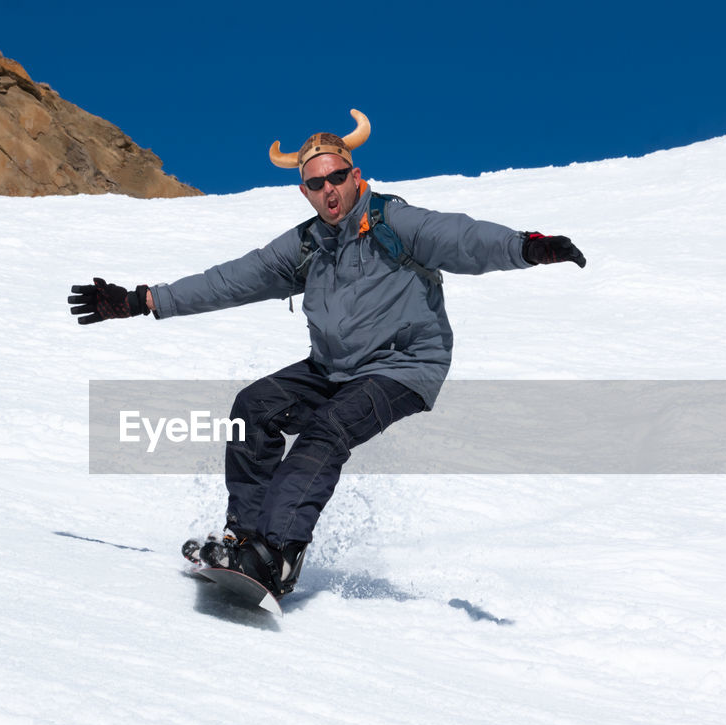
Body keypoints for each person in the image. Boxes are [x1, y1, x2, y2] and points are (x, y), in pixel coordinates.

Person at [69, 109, 585, 598]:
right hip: (335, 369)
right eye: (315, 184)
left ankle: (279, 555)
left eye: (336, 178)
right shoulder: (308, 244)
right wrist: (142, 300)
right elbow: (231, 280)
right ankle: (244, 540)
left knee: (327, 431)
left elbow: (458, 237)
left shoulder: (392, 222)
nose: (328, 190)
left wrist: (527, 247)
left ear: (355, 175)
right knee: (254, 408)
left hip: (402, 366)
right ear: (304, 191)